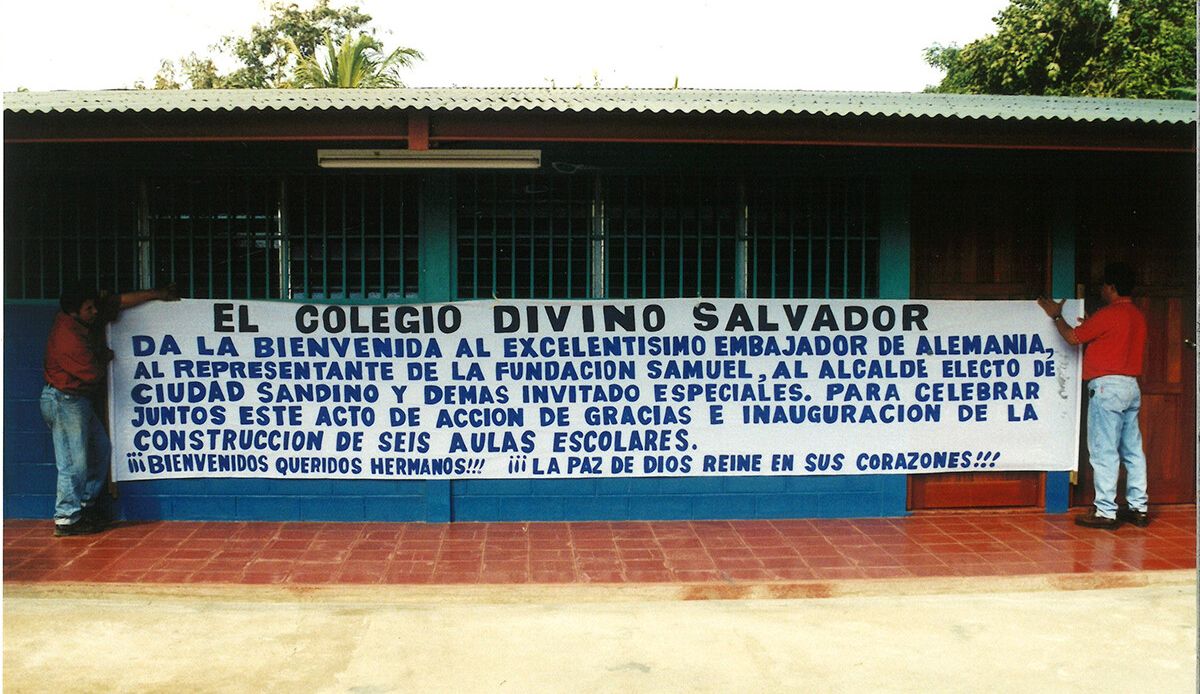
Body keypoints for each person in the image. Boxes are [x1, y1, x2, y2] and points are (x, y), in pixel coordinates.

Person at [41, 282, 176, 537]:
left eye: (94, 306)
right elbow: (92, 373)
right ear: (74, 312)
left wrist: (156, 294)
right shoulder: (67, 337)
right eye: (89, 308)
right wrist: (104, 355)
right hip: (64, 400)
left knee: (101, 449)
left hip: (77, 401)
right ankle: (67, 518)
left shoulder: (83, 318)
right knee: (73, 463)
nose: (95, 311)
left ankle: (85, 506)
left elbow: (119, 302)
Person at [1038, 262, 1149, 530]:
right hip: (1130, 387)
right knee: (1132, 450)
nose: (1101, 289)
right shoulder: (1137, 315)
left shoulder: (1109, 313)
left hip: (1107, 388)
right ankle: (1138, 508)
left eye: (1103, 285)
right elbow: (1111, 339)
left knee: (1104, 450)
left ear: (1111, 287)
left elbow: (1073, 338)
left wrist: (1056, 316)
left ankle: (1106, 512)